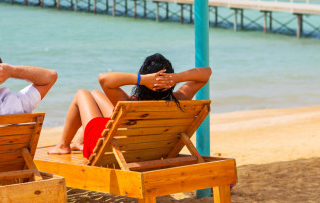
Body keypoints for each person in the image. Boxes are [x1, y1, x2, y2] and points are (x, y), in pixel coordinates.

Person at [46, 53, 211, 157]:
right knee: (95, 94)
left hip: (112, 152)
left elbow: (104, 78)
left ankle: (62, 145)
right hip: (152, 150)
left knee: (82, 94)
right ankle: (77, 143)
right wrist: (177, 77)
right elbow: (206, 73)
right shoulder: (181, 98)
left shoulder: (129, 104)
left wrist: (142, 80)